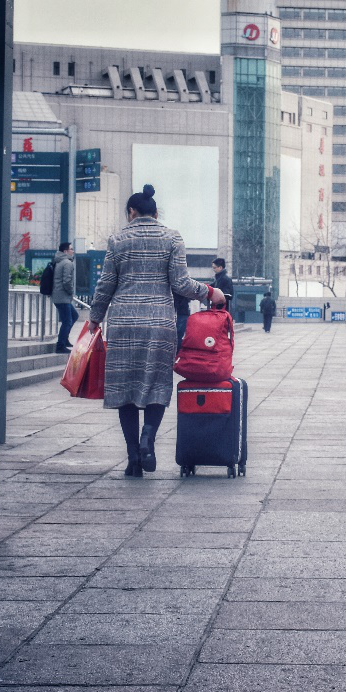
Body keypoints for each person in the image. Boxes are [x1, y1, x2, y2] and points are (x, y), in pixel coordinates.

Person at [89, 185, 226, 477]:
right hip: (160, 325)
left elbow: (105, 285)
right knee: (156, 385)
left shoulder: (117, 240)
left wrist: (94, 318)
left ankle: (132, 459)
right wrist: (210, 292)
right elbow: (182, 284)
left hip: (124, 323)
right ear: (156, 213)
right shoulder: (172, 237)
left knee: (125, 390)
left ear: (131, 212)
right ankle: (147, 439)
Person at [51, 242, 79, 353]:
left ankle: (65, 339)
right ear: (65, 251)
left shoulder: (59, 261)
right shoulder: (67, 263)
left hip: (59, 296)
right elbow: (67, 281)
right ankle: (60, 346)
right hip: (63, 296)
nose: (73, 251)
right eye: (71, 249)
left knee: (74, 315)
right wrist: (71, 292)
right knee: (67, 321)